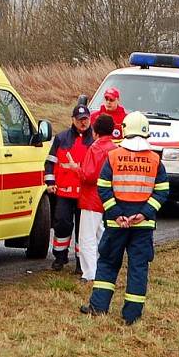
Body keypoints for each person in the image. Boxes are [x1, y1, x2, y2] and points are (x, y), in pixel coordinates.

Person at [81, 111, 169, 325]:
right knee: (138, 267)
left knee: (109, 263)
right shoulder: (155, 160)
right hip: (143, 225)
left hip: (116, 223)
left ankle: (98, 307)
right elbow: (162, 191)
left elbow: (103, 187)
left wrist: (116, 214)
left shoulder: (114, 156)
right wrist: (144, 213)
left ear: (126, 130)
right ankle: (132, 316)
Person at [45, 104, 94, 272]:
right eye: (80, 120)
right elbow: (50, 162)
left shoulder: (94, 140)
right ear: (73, 120)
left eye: (86, 119)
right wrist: (50, 183)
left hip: (85, 194)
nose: (83, 123)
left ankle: (82, 263)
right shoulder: (61, 138)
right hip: (64, 193)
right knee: (62, 224)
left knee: (84, 230)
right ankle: (60, 256)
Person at [77, 114, 117, 282]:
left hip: (92, 197)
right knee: (102, 234)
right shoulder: (114, 148)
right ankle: (105, 267)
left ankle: (90, 273)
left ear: (96, 131)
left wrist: (76, 169)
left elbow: (89, 175)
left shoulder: (95, 148)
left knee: (87, 237)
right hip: (108, 197)